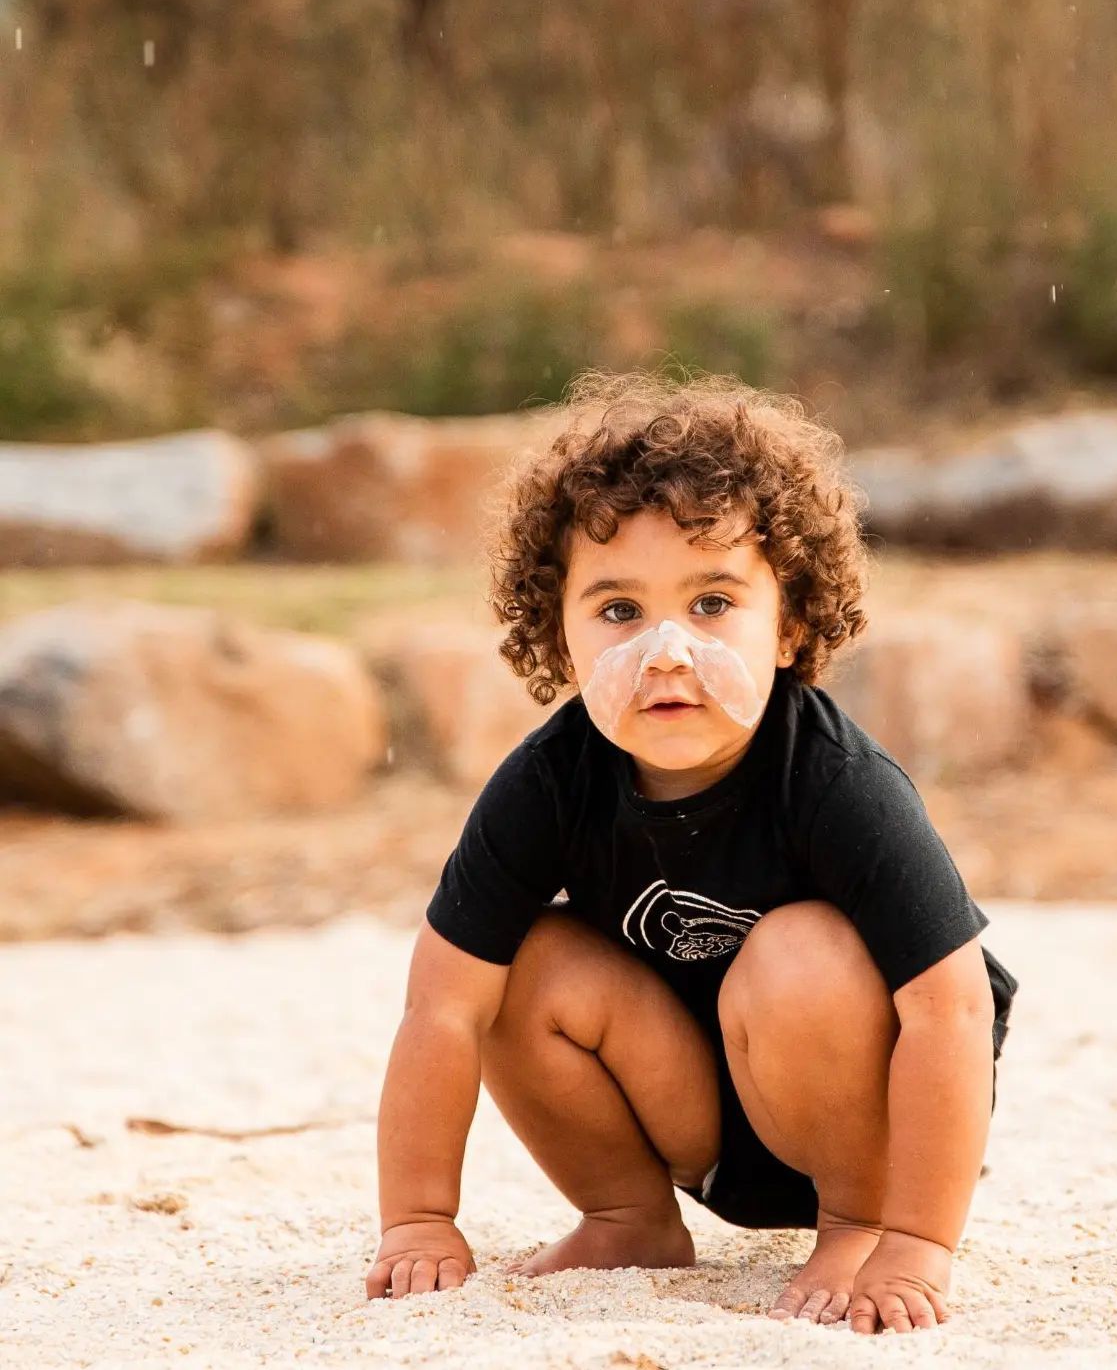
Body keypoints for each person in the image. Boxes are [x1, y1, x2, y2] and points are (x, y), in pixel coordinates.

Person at [366, 371, 1017, 1334]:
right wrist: (417, 1220)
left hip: (870, 1115)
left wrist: (916, 1240)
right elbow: (440, 1007)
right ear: (559, 632)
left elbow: (951, 1009)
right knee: (513, 963)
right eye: (619, 612)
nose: (666, 651)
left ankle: (853, 1217)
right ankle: (627, 1215)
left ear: (789, 623)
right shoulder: (547, 783)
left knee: (804, 949)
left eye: (712, 603)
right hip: (694, 1112)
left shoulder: (835, 778)